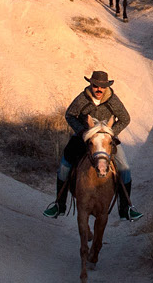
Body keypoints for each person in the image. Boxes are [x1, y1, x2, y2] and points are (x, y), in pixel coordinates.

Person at [43, 70, 143, 221]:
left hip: (106, 141)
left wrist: (110, 133)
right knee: (64, 165)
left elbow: (125, 118)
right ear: (91, 84)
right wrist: (83, 131)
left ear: (106, 87)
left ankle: (126, 208)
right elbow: (69, 115)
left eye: (102, 87)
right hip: (84, 138)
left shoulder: (113, 100)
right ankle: (59, 205)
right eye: (96, 86)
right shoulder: (82, 98)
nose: (99, 89)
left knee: (125, 168)